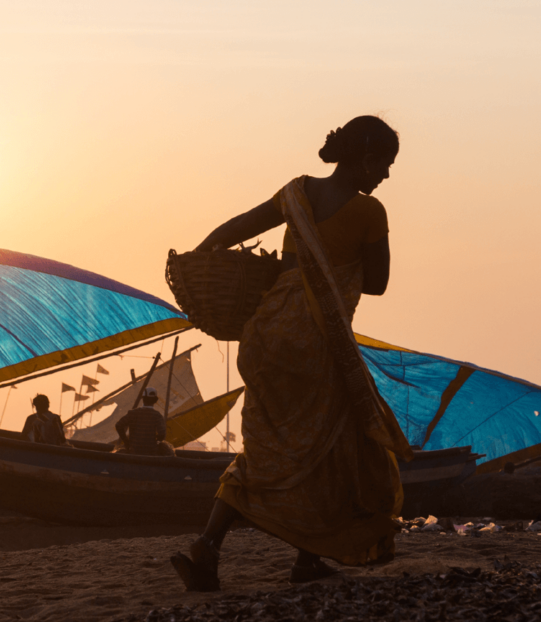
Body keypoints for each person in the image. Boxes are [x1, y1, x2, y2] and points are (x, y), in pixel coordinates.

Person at [170, 116, 414, 592]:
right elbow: (379, 283)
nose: (385, 176)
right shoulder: (370, 211)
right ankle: (304, 555)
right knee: (333, 448)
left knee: (265, 449)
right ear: (365, 159)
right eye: (384, 165)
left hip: (265, 337)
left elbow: (237, 227)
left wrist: (197, 261)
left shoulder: (295, 194)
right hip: (317, 343)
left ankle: (212, 550)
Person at [115, 387, 175, 456]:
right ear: (155, 400)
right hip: (151, 452)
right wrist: (154, 441)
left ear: (143, 399)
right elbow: (162, 434)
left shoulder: (133, 413)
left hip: (133, 451)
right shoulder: (157, 416)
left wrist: (126, 441)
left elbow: (119, 425)